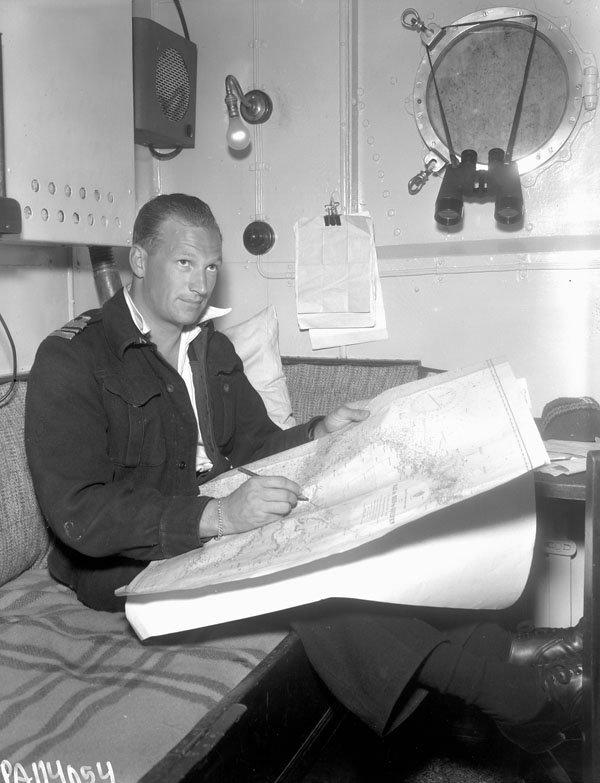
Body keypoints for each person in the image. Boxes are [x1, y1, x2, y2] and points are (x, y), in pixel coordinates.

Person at [25, 193, 583, 756]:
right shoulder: (74, 357)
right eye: (186, 263)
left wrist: (319, 433)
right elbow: (80, 513)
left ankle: (513, 653)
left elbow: (260, 446)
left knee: (364, 544)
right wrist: (219, 515)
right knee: (311, 586)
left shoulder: (210, 348)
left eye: (213, 266)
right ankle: (512, 692)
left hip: (212, 522)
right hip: (123, 558)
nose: (202, 282)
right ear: (140, 260)